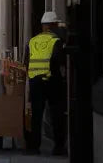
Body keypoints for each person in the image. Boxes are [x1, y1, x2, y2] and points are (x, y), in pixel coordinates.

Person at [25, 11, 66, 155]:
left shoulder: (32, 41)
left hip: (35, 81)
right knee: (56, 114)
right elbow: (58, 60)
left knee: (36, 114)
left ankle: (33, 147)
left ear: (43, 26)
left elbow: (27, 62)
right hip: (51, 80)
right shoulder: (56, 41)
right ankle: (59, 147)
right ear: (53, 25)